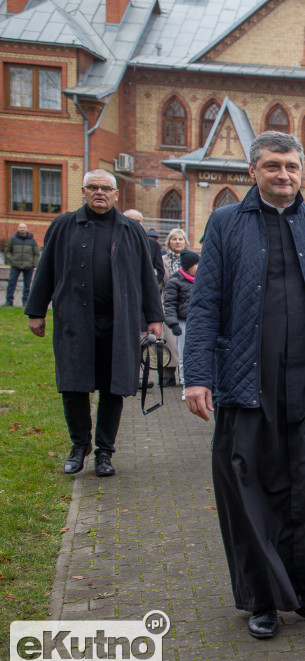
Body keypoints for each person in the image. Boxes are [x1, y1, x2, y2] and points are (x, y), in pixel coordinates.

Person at [183, 131, 305, 640]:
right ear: (253, 171)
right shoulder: (225, 224)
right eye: (273, 166)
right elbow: (205, 304)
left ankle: (304, 586)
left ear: (302, 171)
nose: (284, 175)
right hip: (247, 383)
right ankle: (262, 599)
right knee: (250, 490)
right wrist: (197, 376)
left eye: (291, 166)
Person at [25, 169, 163, 477]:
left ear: (116, 194)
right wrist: (36, 311)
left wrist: (154, 317)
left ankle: (104, 451)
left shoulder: (131, 229)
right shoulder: (64, 225)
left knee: (114, 388)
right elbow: (46, 269)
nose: (100, 192)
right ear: (84, 191)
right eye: (93, 187)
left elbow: (147, 275)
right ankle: (79, 445)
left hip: (119, 324)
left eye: (106, 188)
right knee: (74, 386)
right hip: (74, 321)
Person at [126, 210, 179, 386]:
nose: (137, 223)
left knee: (144, 339)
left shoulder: (152, 245)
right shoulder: (115, 241)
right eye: (132, 220)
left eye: (140, 221)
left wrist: (148, 286)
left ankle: (142, 377)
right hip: (122, 298)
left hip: (142, 299)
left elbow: (158, 271)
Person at [163, 249, 198, 400]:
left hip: (198, 322)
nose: (199, 267)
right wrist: (173, 324)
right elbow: (169, 304)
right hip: (182, 323)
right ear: (188, 266)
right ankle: (186, 385)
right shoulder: (174, 281)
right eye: (196, 264)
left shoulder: (202, 280)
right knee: (184, 355)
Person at [4, 223, 39, 306]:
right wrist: (11, 260)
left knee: (27, 285)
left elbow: (36, 254)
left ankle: (26, 302)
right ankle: (9, 301)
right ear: (18, 229)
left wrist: (34, 263)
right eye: (20, 227)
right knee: (11, 284)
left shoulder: (32, 241)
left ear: (26, 229)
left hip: (28, 266)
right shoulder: (12, 239)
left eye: (23, 227)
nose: (22, 229)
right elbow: (7, 251)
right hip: (15, 265)